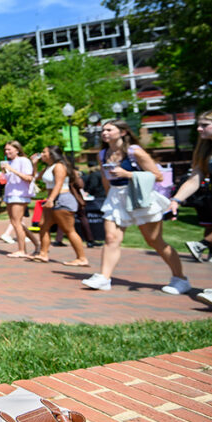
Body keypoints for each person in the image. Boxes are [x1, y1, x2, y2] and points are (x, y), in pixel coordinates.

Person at [81, 120, 190, 293]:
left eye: (109, 129)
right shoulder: (102, 154)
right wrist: (108, 195)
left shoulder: (134, 151)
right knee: (111, 238)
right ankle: (104, 277)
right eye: (103, 130)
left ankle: (180, 278)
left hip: (139, 196)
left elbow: (158, 176)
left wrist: (127, 174)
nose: (104, 133)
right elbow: (105, 178)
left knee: (154, 240)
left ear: (123, 132)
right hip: (116, 196)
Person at [170, 109, 212, 310]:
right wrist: (176, 199)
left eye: (205, 125)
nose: (199, 128)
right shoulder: (205, 149)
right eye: (199, 124)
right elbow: (195, 178)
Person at [30, 145, 88, 266]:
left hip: (62, 199)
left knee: (69, 230)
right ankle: (43, 254)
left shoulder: (59, 167)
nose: (42, 154)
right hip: (52, 199)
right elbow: (36, 177)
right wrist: (34, 164)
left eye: (44, 152)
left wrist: (51, 199)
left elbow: (59, 184)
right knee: (43, 225)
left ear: (51, 154)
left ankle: (81, 258)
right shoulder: (48, 167)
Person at [0, 140, 40, 258]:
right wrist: (1, 177)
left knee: (16, 223)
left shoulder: (23, 161)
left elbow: (29, 178)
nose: (6, 152)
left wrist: (12, 169)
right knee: (17, 223)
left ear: (17, 150)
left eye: (9, 149)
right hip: (10, 194)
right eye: (5, 149)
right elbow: (6, 181)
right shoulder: (9, 162)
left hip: (20, 194)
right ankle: (36, 243)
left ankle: (21, 250)